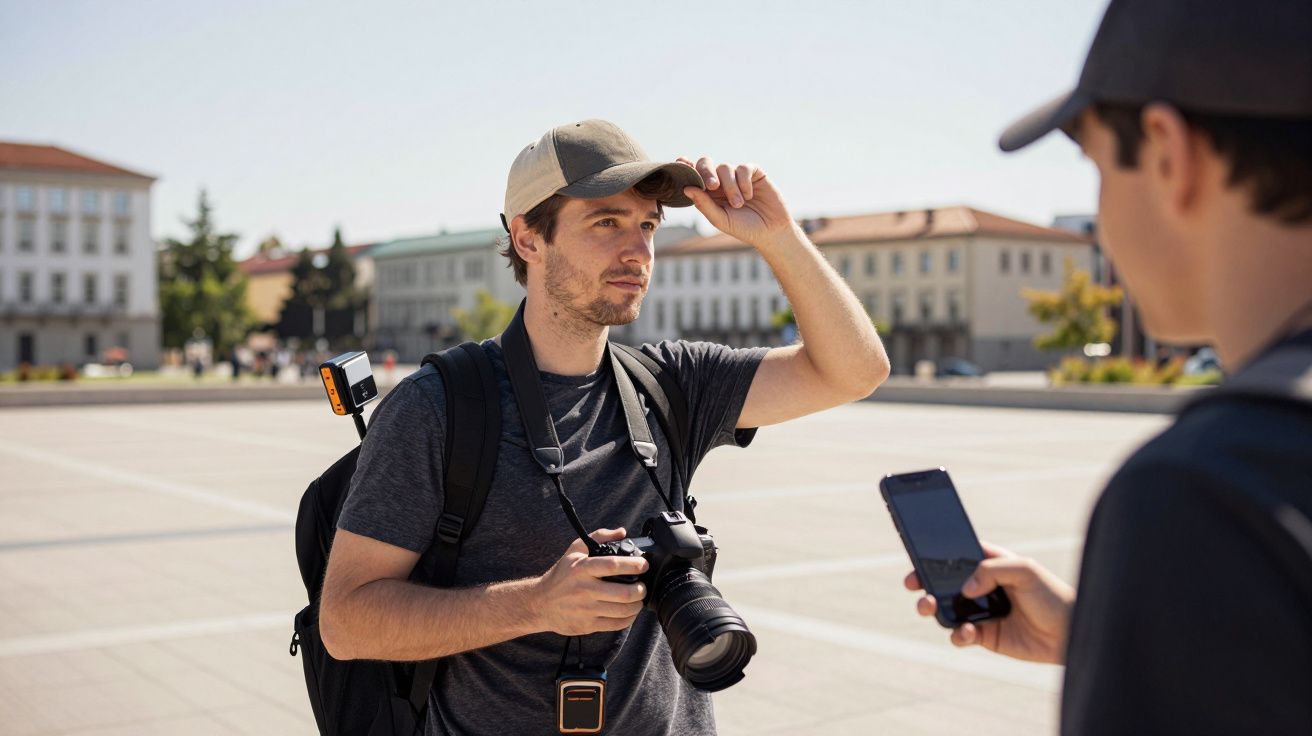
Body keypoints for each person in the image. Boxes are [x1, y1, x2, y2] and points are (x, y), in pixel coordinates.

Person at [319, 119, 890, 734]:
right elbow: (346, 623)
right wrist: (535, 605)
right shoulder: (438, 407)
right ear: (528, 238)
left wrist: (779, 238)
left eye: (647, 226)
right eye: (607, 223)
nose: (638, 252)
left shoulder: (673, 384)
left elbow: (855, 371)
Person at [903, 2, 1312, 733]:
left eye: (1096, 168)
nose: (1102, 226)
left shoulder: (1205, 495)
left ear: (1167, 154)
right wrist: (1127, 638)